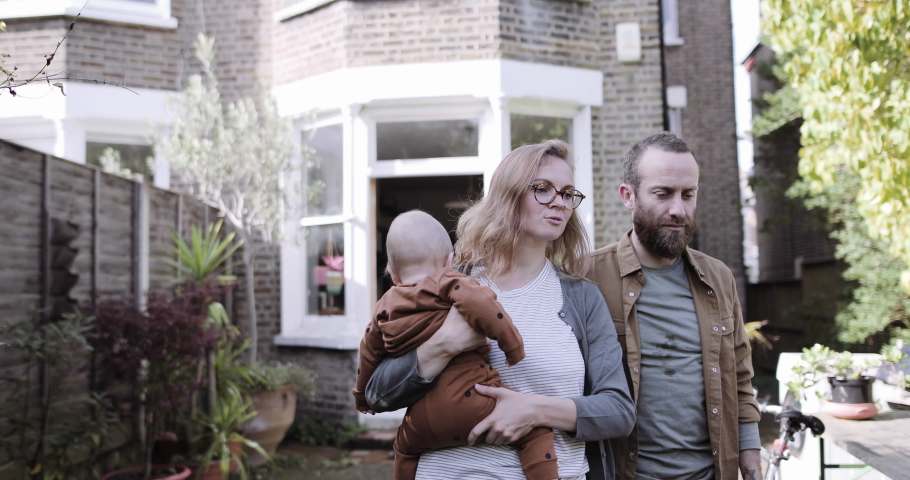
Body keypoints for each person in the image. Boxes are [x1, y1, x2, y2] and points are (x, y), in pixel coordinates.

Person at [364, 139, 636, 480]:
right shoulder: (448, 283)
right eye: (542, 189)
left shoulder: (582, 298)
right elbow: (377, 394)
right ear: (508, 195)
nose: (559, 202)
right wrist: (443, 344)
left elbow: (619, 411)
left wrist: (534, 410)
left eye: (567, 194)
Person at [587, 131, 762, 480]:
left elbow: (739, 378)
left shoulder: (718, 278)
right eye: (663, 194)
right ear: (628, 196)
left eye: (689, 194)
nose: (678, 209)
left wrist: (752, 467)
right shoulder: (587, 278)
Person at [352, 209, 559, 480]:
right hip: (470, 403)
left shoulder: (384, 306)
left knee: (403, 449)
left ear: (393, 274)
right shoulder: (448, 280)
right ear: (449, 260)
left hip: (421, 422)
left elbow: (368, 353)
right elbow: (484, 307)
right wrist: (512, 345)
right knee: (536, 432)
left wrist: (360, 395)